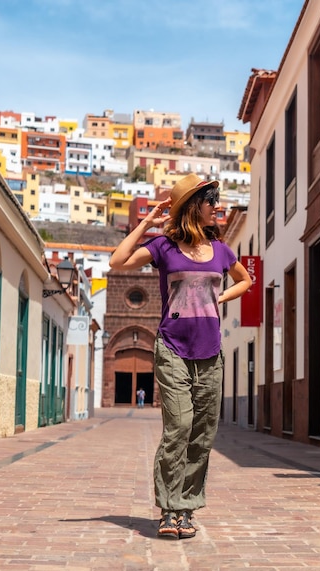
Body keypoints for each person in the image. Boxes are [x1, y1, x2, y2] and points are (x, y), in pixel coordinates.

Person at [109, 173, 252, 540]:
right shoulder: (163, 247)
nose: (217, 206)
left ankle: (186, 508)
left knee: (203, 434)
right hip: (172, 347)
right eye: (211, 200)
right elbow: (118, 260)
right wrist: (146, 223)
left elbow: (244, 280)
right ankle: (169, 509)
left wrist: (218, 299)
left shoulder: (221, 250)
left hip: (210, 351)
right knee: (178, 427)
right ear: (193, 206)